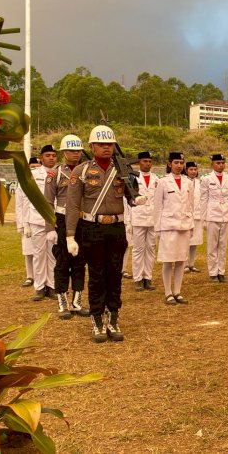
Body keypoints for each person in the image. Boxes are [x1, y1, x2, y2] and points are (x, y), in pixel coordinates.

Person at [65, 125, 146, 343]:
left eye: (109, 144)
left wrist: (136, 198)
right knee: (97, 275)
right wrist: (70, 235)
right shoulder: (80, 171)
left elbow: (131, 195)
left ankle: (113, 317)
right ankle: (97, 319)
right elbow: (72, 205)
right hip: (92, 228)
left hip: (116, 227)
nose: (106, 148)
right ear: (91, 147)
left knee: (115, 275)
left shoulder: (122, 168)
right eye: (101, 144)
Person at [44, 135, 90, 319]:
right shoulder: (55, 174)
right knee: (62, 262)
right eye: (72, 151)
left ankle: (77, 302)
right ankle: (62, 302)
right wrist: (50, 228)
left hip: (81, 220)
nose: (76, 154)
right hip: (62, 219)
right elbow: (47, 202)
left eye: (78, 150)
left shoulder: (86, 171)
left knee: (80, 262)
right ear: (63, 153)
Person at [154, 152, 194, 306]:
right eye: (176, 162)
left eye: (181, 162)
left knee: (181, 261)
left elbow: (191, 205)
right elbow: (158, 207)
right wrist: (157, 228)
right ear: (170, 164)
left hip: (184, 225)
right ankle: (168, 292)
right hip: (168, 226)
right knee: (168, 261)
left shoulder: (187, 182)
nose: (179, 165)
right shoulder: (163, 182)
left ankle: (177, 291)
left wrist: (191, 225)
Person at [27, 145, 58, 301]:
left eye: (53, 155)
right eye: (48, 155)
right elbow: (26, 198)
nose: (51, 157)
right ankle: (39, 287)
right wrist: (25, 223)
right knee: (39, 255)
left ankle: (52, 286)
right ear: (41, 157)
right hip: (37, 219)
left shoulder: (60, 173)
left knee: (53, 255)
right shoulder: (33, 174)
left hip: (54, 220)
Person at [200, 154, 228, 283]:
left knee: (223, 246)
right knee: (212, 246)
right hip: (212, 215)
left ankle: (221, 271)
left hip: (226, 215)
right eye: (218, 163)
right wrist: (203, 218)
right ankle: (213, 272)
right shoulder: (206, 179)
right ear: (212, 164)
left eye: (222, 163)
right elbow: (203, 199)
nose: (221, 165)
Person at [131, 151, 159, 291]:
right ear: (139, 162)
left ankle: (147, 277)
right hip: (138, 216)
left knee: (151, 248)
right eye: (144, 161)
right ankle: (137, 278)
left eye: (149, 161)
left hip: (153, 218)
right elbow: (128, 199)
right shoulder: (133, 177)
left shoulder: (156, 178)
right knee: (138, 249)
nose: (147, 164)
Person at [15, 157, 40, 288]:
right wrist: (20, 225)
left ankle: (41, 276)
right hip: (26, 222)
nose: (34, 169)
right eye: (32, 167)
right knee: (28, 250)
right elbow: (18, 205)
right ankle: (30, 276)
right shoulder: (22, 183)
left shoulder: (43, 181)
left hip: (39, 221)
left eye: (37, 166)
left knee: (41, 251)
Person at [185, 161, 203, 273]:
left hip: (198, 215)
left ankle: (191, 263)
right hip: (186, 215)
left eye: (195, 170)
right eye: (191, 169)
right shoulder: (183, 181)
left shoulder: (200, 182)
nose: (193, 172)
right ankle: (185, 264)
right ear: (186, 170)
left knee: (194, 242)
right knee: (186, 241)